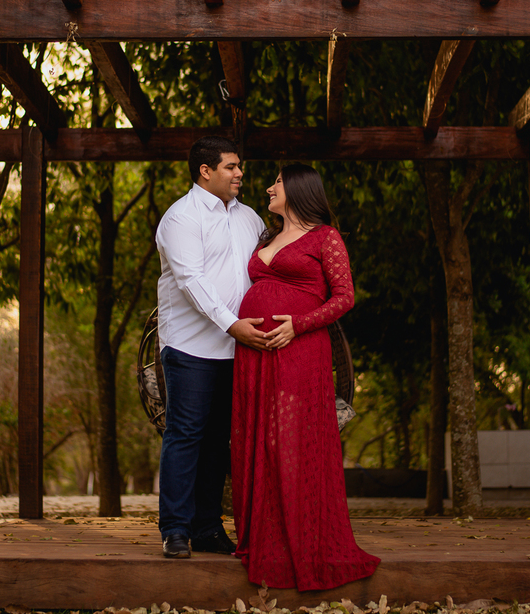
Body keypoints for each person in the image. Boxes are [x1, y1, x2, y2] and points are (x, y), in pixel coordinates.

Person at [231, 163, 380, 590]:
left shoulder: (325, 237)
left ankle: (303, 540)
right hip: (254, 355)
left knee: (292, 441)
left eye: (276, 181)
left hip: (299, 351)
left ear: (296, 188)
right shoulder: (267, 236)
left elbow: (345, 296)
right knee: (257, 439)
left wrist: (298, 324)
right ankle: (265, 537)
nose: (268, 187)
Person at [155, 136, 268, 559]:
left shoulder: (251, 218)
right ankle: (176, 529)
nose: (240, 173)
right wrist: (232, 324)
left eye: (239, 167)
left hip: (239, 349)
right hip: (190, 348)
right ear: (206, 170)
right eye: (231, 167)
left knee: (219, 441)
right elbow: (191, 282)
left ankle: (206, 528)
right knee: (185, 435)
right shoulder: (181, 218)